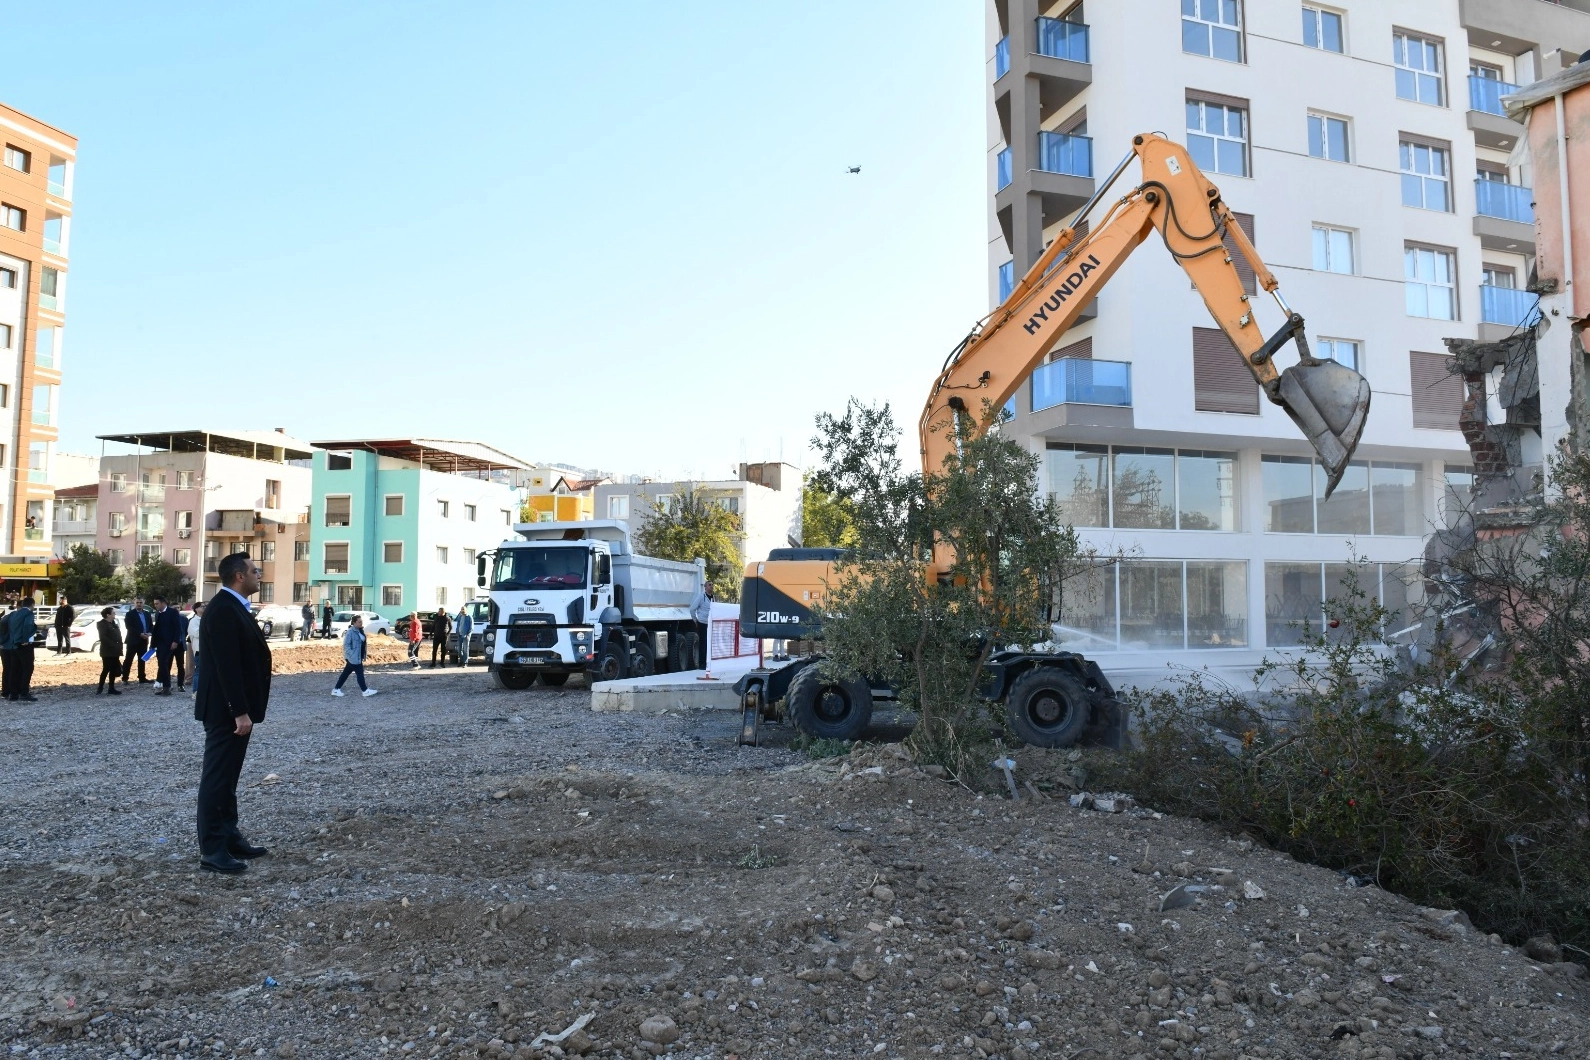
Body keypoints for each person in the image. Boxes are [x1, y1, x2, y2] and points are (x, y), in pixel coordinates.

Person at [194, 554, 272, 875]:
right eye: (255, 571)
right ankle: (212, 849)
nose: (259, 575)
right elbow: (227, 666)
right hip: (227, 712)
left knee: (228, 779)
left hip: (235, 712)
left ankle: (228, 835)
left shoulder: (233, 606)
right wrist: (239, 711)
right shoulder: (225, 609)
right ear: (239, 576)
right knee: (217, 779)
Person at [2, 598, 38, 702]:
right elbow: (27, 626)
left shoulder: (13, 614)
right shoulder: (29, 614)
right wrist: (25, 639)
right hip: (24, 644)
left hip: (14, 644)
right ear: (32, 604)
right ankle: (24, 692)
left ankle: (13, 694)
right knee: (27, 669)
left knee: (14, 669)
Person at [331, 614, 377, 697]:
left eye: (361, 621)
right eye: (359, 622)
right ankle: (365, 690)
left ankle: (336, 689)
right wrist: (352, 655)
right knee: (360, 673)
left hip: (357, 656)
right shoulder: (350, 632)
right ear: (354, 623)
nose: (361, 623)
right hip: (354, 657)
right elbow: (346, 645)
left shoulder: (360, 630)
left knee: (345, 673)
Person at [151, 596, 185, 696]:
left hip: (169, 643)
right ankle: (165, 685)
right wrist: (153, 644)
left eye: (157, 603)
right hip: (160, 643)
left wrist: (175, 641)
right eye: (155, 604)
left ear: (163, 603)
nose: (155, 605)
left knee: (164, 663)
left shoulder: (172, 612)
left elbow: (177, 627)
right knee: (161, 664)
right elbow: (157, 629)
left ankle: (167, 687)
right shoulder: (158, 614)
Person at [122, 598, 152, 684]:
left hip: (144, 640)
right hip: (133, 640)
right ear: (134, 603)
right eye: (137, 602)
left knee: (142, 659)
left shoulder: (147, 614)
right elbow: (129, 627)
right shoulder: (130, 614)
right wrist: (140, 634)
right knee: (129, 659)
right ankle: (125, 678)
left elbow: (150, 626)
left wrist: (149, 633)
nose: (139, 604)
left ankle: (142, 678)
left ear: (144, 603)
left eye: (141, 602)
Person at [96, 607, 123, 695]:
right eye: (113, 613)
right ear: (108, 615)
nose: (114, 614)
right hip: (107, 651)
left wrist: (118, 647)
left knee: (113, 669)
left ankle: (111, 688)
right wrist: (113, 645)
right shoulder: (102, 624)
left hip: (115, 651)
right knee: (106, 669)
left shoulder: (113, 623)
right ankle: (100, 687)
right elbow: (103, 637)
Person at [690, 581, 713, 670]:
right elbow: (692, 609)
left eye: (712, 585)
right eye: (709, 585)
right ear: (705, 587)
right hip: (702, 623)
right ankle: (701, 664)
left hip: (710, 624)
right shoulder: (701, 597)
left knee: (709, 644)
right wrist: (696, 620)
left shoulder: (713, 598)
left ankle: (708, 662)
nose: (711, 587)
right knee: (703, 644)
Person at [186, 601, 205, 697]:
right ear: (196, 609)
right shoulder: (193, 621)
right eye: (202, 606)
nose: (204, 608)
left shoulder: (205, 620)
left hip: (207, 649)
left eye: (205, 606)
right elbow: (197, 633)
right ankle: (196, 691)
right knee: (199, 670)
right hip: (199, 649)